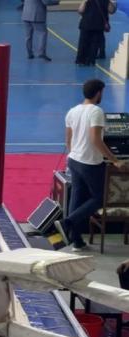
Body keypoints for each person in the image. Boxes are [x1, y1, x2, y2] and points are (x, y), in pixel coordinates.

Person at [55, 79, 125, 251]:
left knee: (77, 198)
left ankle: (76, 241)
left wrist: (75, 154)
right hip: (90, 163)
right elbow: (96, 140)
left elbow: (68, 140)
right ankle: (67, 222)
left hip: (74, 160)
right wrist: (115, 160)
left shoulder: (72, 111)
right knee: (100, 197)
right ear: (99, 92)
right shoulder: (96, 111)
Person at [76, 0, 116, 66]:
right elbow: (112, 11)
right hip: (97, 25)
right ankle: (90, 61)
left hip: (87, 25)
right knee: (94, 45)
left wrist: (84, 2)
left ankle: (81, 60)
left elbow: (80, 11)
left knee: (84, 44)